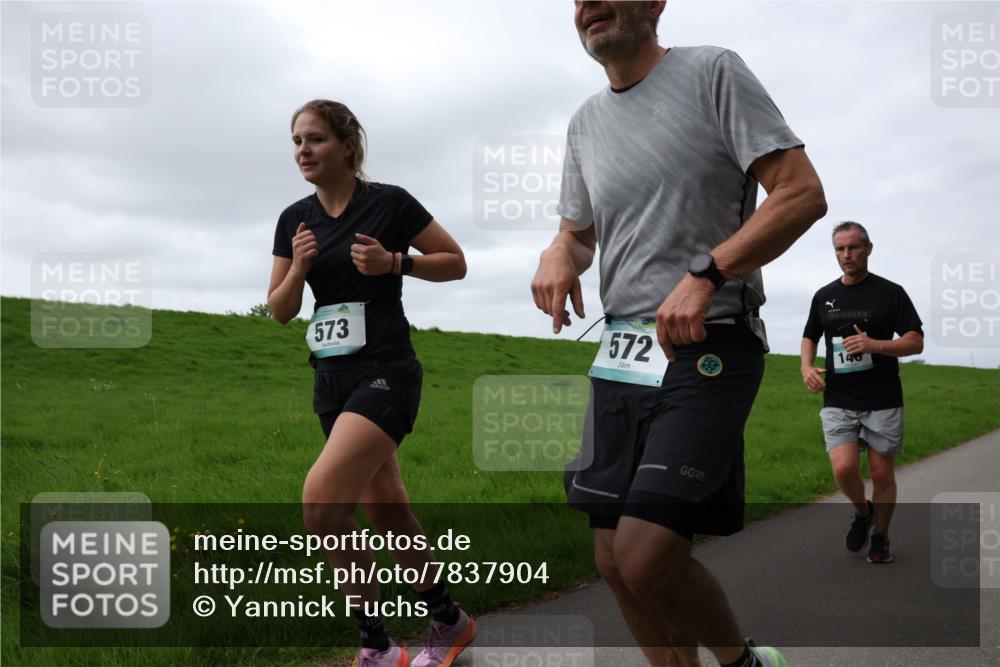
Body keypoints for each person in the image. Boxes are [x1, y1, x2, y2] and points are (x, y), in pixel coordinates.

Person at [531, 2, 827, 666]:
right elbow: (578, 234)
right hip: (625, 354)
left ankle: (742, 662)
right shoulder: (584, 122)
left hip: (710, 342)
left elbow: (801, 192)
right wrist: (558, 252)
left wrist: (709, 271)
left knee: (646, 551)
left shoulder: (712, 72)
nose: (587, 6)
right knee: (612, 558)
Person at [267, 99, 474, 667]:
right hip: (330, 379)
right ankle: (449, 620)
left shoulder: (389, 203)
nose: (302, 151)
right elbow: (280, 310)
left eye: (315, 140)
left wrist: (395, 264)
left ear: (348, 147)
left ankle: (377, 646)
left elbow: (454, 261)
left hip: (386, 371)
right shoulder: (294, 220)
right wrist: (302, 268)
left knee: (322, 506)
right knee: (385, 508)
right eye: (296, 142)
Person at [800, 221, 924, 565]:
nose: (846, 255)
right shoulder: (824, 296)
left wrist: (875, 345)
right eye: (840, 249)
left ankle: (881, 536)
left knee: (882, 474)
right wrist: (806, 367)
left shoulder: (890, 293)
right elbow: (810, 335)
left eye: (853, 247)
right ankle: (862, 511)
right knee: (843, 470)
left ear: (869, 248)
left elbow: (915, 341)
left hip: (882, 398)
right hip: (839, 397)